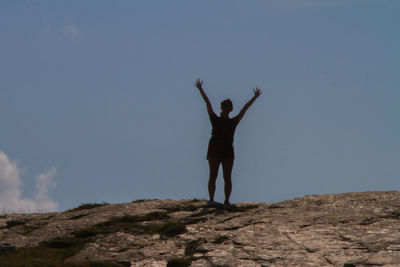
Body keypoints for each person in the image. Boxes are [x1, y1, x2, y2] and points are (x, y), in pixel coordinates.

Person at [195, 79, 261, 205]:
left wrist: (255, 97)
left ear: (230, 109)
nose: (225, 109)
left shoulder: (233, 122)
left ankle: (226, 201)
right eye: (224, 106)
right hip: (214, 147)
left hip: (227, 149)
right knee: (213, 175)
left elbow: (244, 109)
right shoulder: (215, 119)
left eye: (228, 107)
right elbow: (207, 103)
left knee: (227, 177)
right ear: (221, 107)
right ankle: (212, 200)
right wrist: (200, 89)